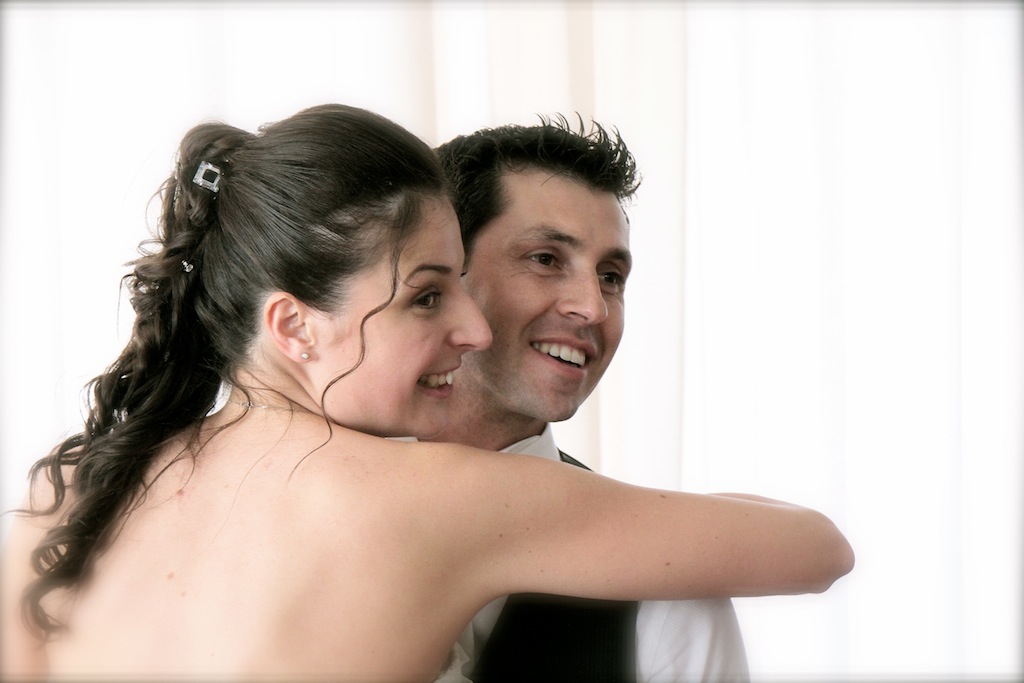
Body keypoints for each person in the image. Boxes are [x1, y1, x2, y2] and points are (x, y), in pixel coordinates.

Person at [0, 103, 853, 682]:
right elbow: (817, 547)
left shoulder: (66, 494)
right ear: (295, 326)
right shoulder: (432, 499)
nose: (470, 327)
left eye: (613, 275)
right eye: (428, 294)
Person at [432, 117, 751, 682]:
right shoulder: (298, 498)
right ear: (441, 270)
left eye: (611, 276)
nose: (593, 307)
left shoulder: (669, 594)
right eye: (546, 259)